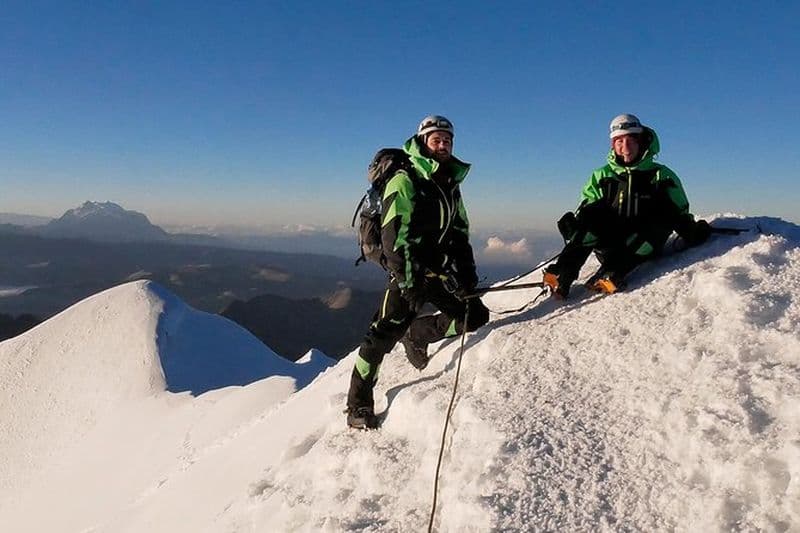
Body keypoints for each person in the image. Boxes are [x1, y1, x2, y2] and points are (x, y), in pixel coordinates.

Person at [345, 115, 490, 429]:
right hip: (407, 272)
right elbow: (394, 237)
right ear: (423, 142)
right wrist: (408, 280)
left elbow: (459, 233)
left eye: (447, 140)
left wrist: (467, 275)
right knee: (382, 334)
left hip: (436, 270)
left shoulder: (449, 183)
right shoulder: (405, 178)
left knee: (474, 316)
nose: (443, 145)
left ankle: (417, 333)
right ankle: (358, 404)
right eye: (436, 139)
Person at [543, 113, 711, 298]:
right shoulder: (601, 175)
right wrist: (575, 227)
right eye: (619, 142)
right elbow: (588, 210)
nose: (625, 148)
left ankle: (613, 272)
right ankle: (562, 273)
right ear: (613, 145)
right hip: (608, 245)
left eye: (631, 140)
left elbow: (677, 211)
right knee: (593, 212)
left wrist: (693, 232)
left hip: (644, 245)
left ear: (641, 141)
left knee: (662, 210)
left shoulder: (661, 175)